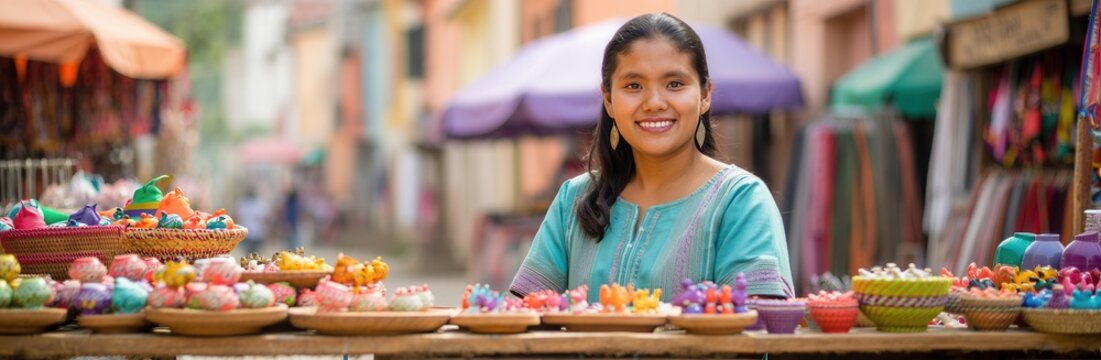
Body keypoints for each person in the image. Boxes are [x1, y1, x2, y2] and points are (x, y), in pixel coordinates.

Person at [509, 13, 793, 302]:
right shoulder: (574, 199)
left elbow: (759, 329)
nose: (654, 103)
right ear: (608, 99)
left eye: (674, 84)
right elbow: (523, 314)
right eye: (633, 86)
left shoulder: (740, 200)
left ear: (705, 95)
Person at [236, 188, 270, 255]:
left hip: (246, 234)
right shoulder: (261, 203)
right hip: (258, 233)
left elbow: (236, 218)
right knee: (256, 255)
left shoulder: (241, 203)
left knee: (248, 255)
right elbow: (266, 220)